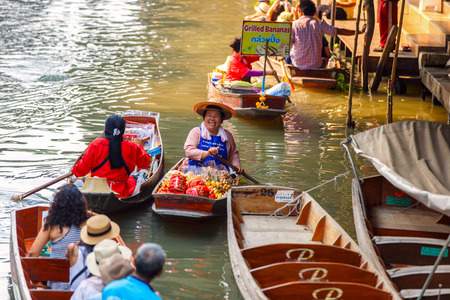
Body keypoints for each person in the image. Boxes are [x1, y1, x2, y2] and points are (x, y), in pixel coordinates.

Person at [72, 115, 151, 198]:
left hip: (95, 190)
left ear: (106, 129)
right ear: (122, 131)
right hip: (121, 193)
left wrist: (74, 171)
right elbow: (145, 164)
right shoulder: (132, 147)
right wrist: (139, 146)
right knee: (133, 178)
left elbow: (80, 171)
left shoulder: (95, 144)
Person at [29, 184, 90, 290]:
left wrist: (33, 275)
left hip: (57, 286)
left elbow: (33, 253)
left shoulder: (52, 223)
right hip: (82, 285)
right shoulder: (89, 223)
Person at [290, 0, 366, 69]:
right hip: (316, 65)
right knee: (325, 60)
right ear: (314, 12)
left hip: (297, 65)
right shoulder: (319, 24)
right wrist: (358, 31)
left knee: (287, 58)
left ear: (300, 12)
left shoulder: (293, 25)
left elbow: (287, 45)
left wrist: (281, 57)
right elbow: (339, 31)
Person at [184, 98, 243, 174]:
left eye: (216, 116)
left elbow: (233, 154)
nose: (212, 119)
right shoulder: (196, 132)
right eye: (209, 115)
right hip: (196, 173)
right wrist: (207, 153)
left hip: (221, 176)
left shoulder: (227, 135)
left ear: (221, 120)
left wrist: (236, 165)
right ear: (204, 118)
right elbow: (189, 151)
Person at [66, 214, 122, 291]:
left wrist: (82, 241)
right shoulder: (113, 252)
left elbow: (67, 253)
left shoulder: (73, 249)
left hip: (75, 294)